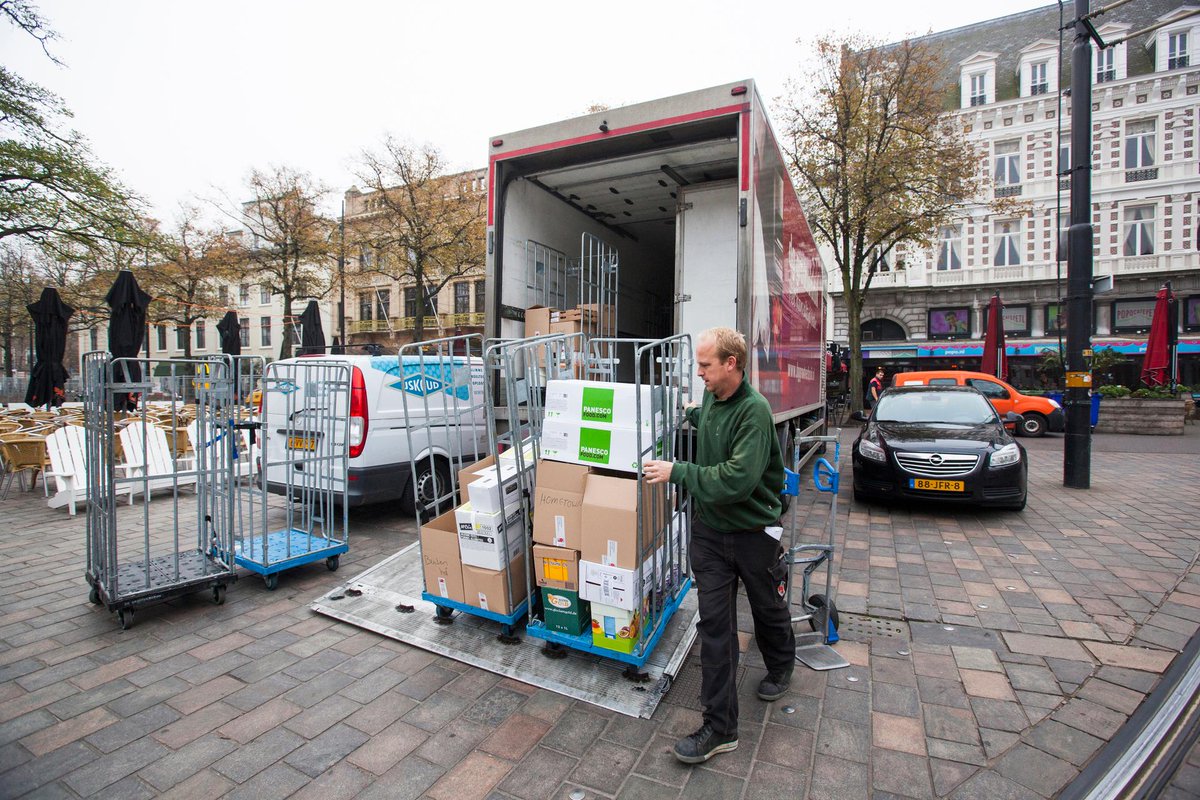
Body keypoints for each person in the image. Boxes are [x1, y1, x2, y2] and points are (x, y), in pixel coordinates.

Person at [642, 327, 794, 765]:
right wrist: (687, 410)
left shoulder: (755, 412)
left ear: (732, 364)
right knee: (715, 626)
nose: (699, 373)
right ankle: (721, 727)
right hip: (709, 533)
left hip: (752, 533)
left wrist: (678, 472)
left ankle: (781, 663)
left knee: (767, 607)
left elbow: (736, 480)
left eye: (705, 366)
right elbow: (703, 414)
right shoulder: (710, 397)